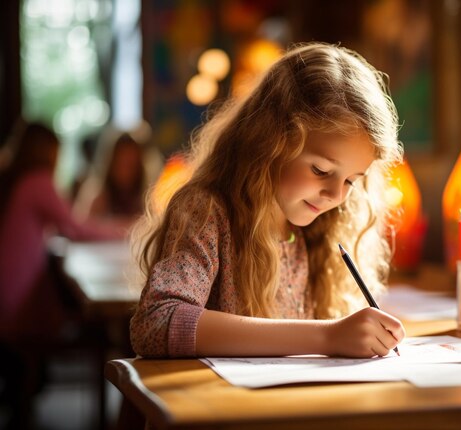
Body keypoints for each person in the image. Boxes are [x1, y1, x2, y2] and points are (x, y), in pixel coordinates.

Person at [130, 42, 406, 359]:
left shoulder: (322, 232)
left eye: (351, 181)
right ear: (270, 142)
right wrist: (326, 337)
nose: (337, 195)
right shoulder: (207, 212)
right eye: (321, 170)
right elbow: (155, 323)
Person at [0, 121, 123, 428]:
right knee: (94, 326)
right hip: (16, 306)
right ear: (48, 152)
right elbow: (76, 228)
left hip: (7, 293)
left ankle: (26, 394)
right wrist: (125, 231)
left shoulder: (16, 180)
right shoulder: (38, 182)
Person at [74, 124, 161, 229]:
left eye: (131, 165)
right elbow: (80, 227)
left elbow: (153, 226)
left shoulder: (145, 197)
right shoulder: (97, 195)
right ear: (110, 163)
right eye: (121, 164)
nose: (125, 171)